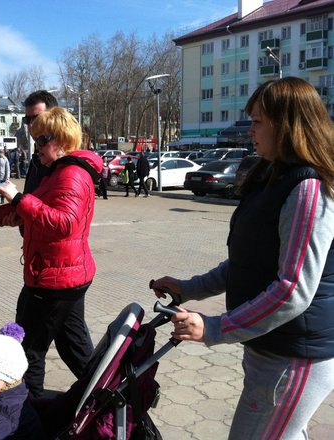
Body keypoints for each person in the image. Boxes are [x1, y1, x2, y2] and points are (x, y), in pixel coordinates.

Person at [150, 77, 334, 440]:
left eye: (257, 121)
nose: (250, 130)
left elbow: (292, 290)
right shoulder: (272, 175)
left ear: (287, 125)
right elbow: (247, 263)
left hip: (295, 356)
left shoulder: (307, 189)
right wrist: (189, 289)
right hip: (270, 349)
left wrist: (215, 328)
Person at [0, 107, 101, 398]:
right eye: (35, 139)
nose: (36, 147)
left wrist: (18, 198)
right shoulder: (59, 172)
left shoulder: (71, 175)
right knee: (73, 348)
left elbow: (65, 224)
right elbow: (49, 212)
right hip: (62, 272)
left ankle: (28, 418)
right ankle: (112, 401)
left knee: (28, 351)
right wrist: (18, 213)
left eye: (43, 139)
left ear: (63, 140)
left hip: (55, 279)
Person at [2, 90, 58, 229]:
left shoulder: (66, 163)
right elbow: (37, 204)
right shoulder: (37, 158)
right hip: (33, 245)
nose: (31, 125)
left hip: (52, 248)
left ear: (54, 117)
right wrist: (21, 217)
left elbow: (62, 223)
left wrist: (17, 199)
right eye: (27, 120)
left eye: (36, 118)